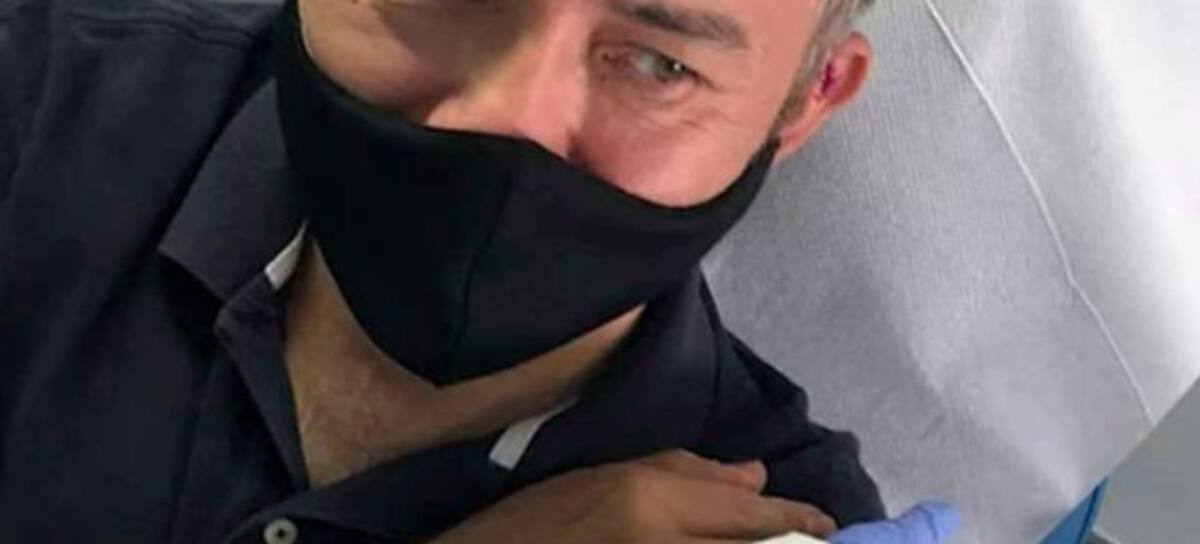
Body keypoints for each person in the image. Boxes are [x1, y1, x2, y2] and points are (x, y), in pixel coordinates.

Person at [0, 0, 955, 542]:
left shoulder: (782, 523)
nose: (499, 122)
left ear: (806, 100)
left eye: (661, 67)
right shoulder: (34, 105)